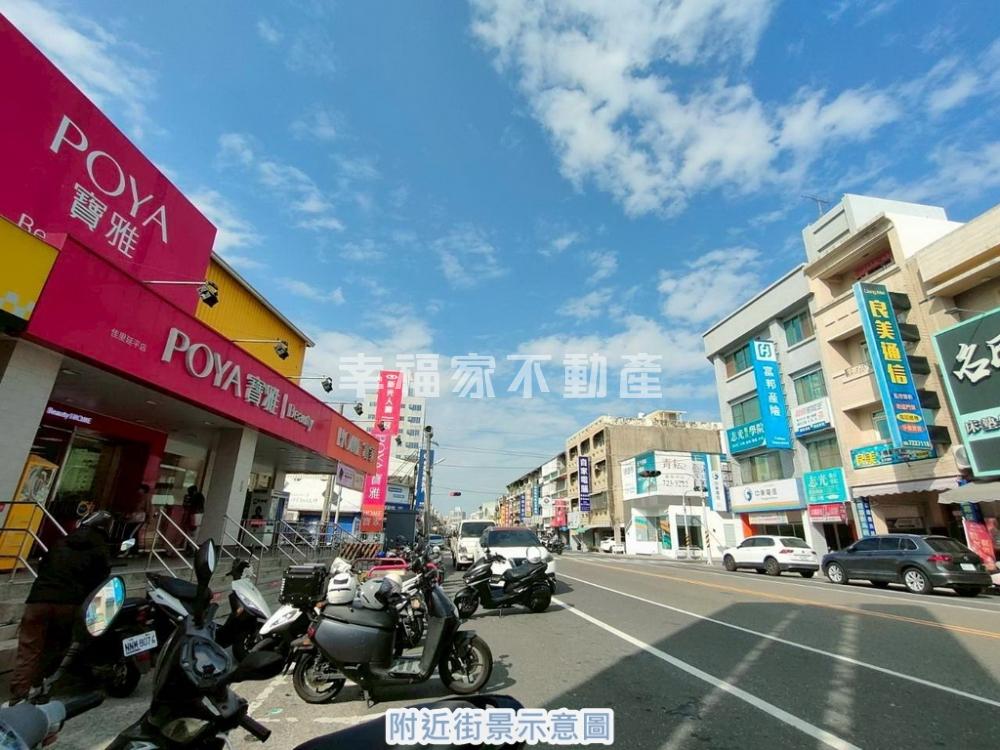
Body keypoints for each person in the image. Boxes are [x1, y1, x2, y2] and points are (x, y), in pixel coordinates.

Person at [9, 510, 112, 703]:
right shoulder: (99, 550)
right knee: (56, 647)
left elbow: (43, 567)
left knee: (29, 649)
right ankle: (41, 686)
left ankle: (19, 694)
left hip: (38, 601)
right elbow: (100, 581)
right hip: (68, 605)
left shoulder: (60, 542)